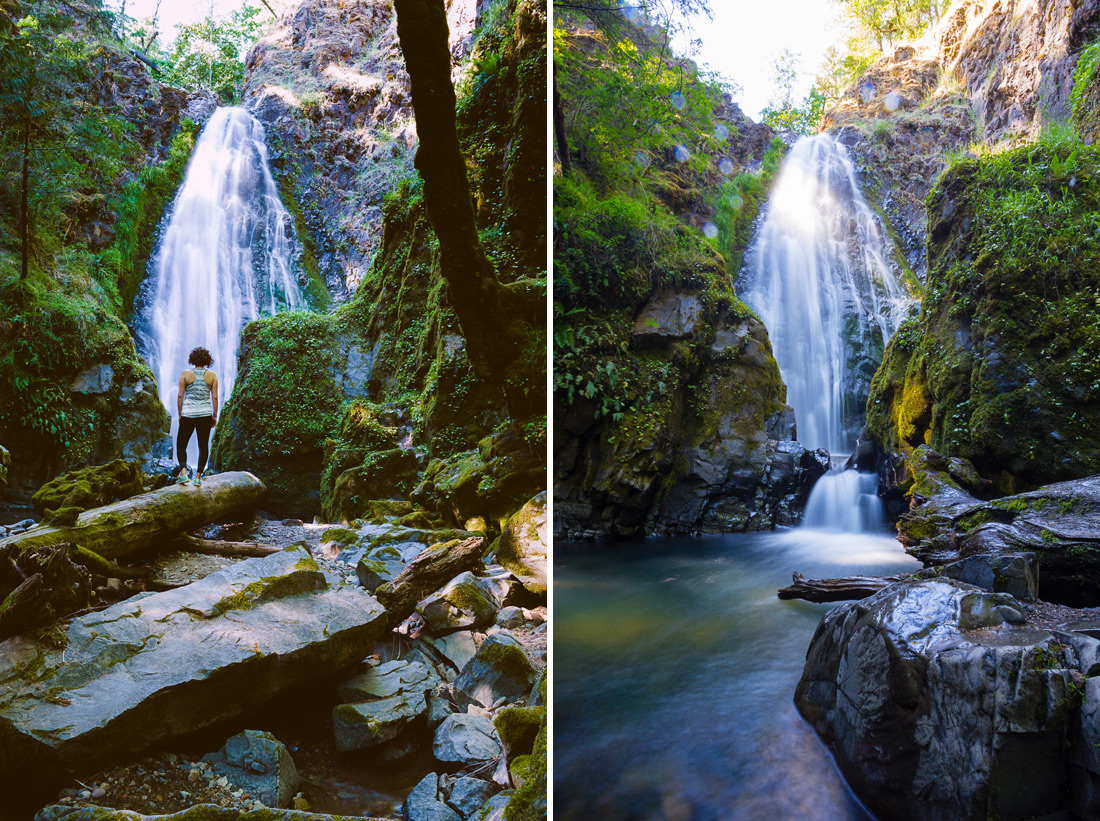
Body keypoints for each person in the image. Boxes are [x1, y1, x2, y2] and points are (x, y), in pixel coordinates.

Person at [176, 347, 219, 487]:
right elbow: (215, 397)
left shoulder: (186, 374)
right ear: (208, 360)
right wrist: (214, 415)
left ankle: (183, 473)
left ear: (192, 359)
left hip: (188, 414)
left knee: (182, 444)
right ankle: (198, 477)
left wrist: (180, 413)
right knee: (203, 446)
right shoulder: (212, 376)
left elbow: (180, 395)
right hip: (205, 414)